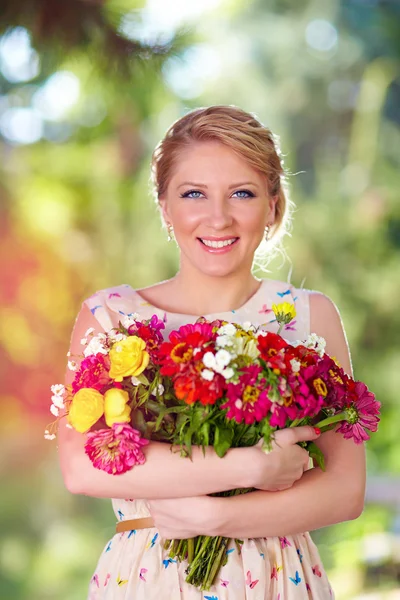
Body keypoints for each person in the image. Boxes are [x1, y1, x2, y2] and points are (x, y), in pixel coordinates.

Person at [58, 105, 365, 599]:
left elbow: (345, 491)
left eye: (241, 193)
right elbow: (82, 466)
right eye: (193, 193)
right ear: (164, 207)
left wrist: (219, 515)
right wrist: (249, 467)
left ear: (272, 206)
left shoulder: (309, 317)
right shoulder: (111, 318)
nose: (218, 217)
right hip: (147, 578)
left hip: (276, 577)